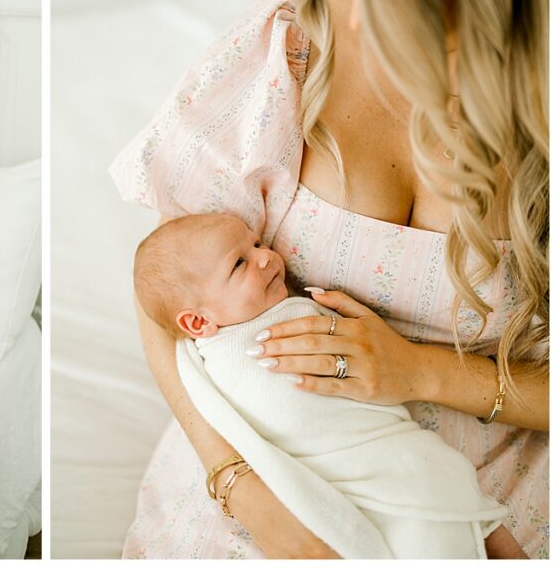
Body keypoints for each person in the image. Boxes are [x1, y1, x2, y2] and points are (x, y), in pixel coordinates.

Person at [110, 0, 547, 559]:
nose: (361, 12)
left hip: (485, 498)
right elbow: (164, 300)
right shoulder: (288, 52)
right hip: (266, 461)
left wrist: (421, 372)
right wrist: (237, 482)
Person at [134, 212, 507, 558]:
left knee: (452, 520)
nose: (266, 257)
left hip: (385, 454)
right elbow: (222, 417)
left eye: (259, 244)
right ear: (198, 324)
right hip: (305, 484)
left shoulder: (300, 309)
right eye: (240, 263)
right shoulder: (207, 358)